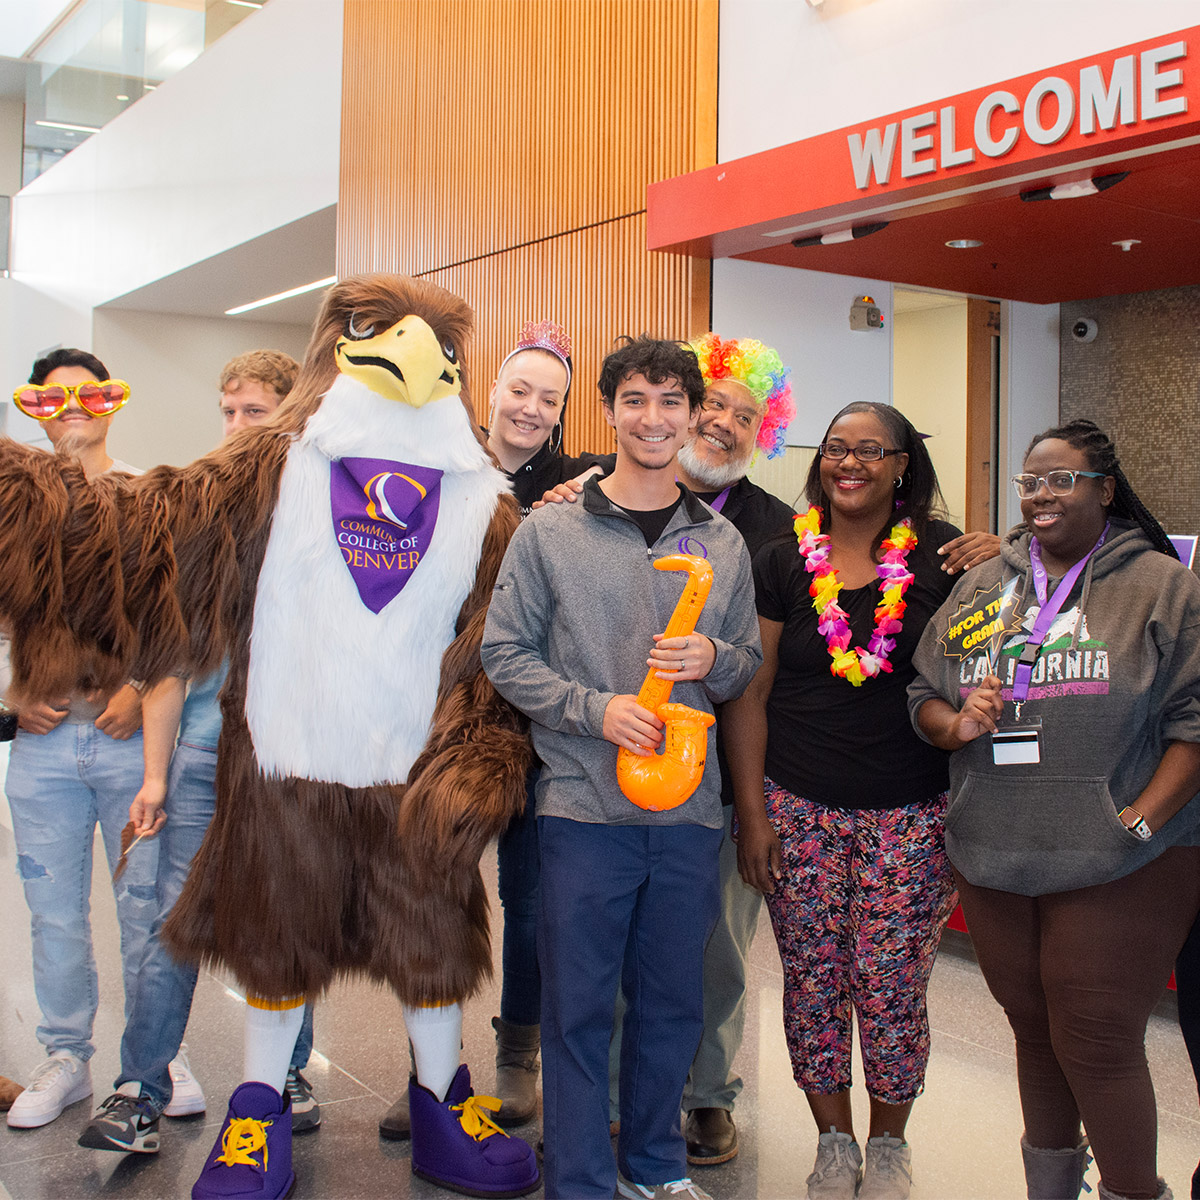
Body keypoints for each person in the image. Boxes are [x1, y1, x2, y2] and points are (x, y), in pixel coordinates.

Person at [481, 335, 761, 1200]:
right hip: (580, 805)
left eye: (672, 402)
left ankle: (655, 1169)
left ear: (691, 416)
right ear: (608, 412)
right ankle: (577, 1180)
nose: (654, 418)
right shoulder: (550, 530)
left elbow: (746, 660)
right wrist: (594, 709)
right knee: (578, 1010)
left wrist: (713, 652)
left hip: (687, 815)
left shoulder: (723, 544)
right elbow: (505, 653)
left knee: (673, 1004)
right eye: (636, 400)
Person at [910, 418, 1200, 1200]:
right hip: (993, 845)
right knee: (1035, 1034)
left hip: (1122, 856)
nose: (1041, 495)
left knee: (1097, 1038)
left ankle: (1134, 1191)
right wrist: (955, 720)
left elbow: (1195, 723)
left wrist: (1136, 819)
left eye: (1061, 479)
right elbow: (923, 694)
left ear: (1105, 491)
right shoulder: (983, 584)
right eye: (1030, 481)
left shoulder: (1162, 584)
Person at [726, 400, 984, 1200]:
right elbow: (753, 691)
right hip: (797, 805)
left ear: (904, 462)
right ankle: (833, 1141)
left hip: (912, 811)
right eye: (838, 448)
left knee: (891, 982)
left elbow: (1002, 643)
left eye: (873, 450)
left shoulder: (946, 558)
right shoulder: (779, 560)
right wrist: (754, 815)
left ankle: (892, 1147)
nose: (852, 463)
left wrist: (1010, 555)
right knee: (811, 977)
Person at [78, 350, 322, 1154]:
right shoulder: (198, 516)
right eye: (227, 410)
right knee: (168, 928)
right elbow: (169, 665)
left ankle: (284, 1072)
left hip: (288, 769)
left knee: (285, 925)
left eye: (254, 411)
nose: (235, 426)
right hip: (198, 763)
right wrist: (153, 775)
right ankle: (138, 1092)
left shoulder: (324, 514)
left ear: (291, 414)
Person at [376, 320, 606, 1139]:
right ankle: (429, 1072)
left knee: (532, 897)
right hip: (441, 713)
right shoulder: (436, 466)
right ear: (490, 391)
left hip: (542, 720)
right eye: (520, 390)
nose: (531, 408)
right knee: (431, 881)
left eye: (550, 398)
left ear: (564, 411)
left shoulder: (584, 481)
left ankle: (517, 1057)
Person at [5, 349, 160, 1130]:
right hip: (42, 750)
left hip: (129, 744)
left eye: (86, 393)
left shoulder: (145, 497)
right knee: (54, 912)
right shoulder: (13, 505)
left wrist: (140, 688)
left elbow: (181, 615)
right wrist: (9, 695)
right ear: (33, 406)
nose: (71, 407)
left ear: (112, 402)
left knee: (145, 908)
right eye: (53, 396)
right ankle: (66, 1055)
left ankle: (153, 1062)